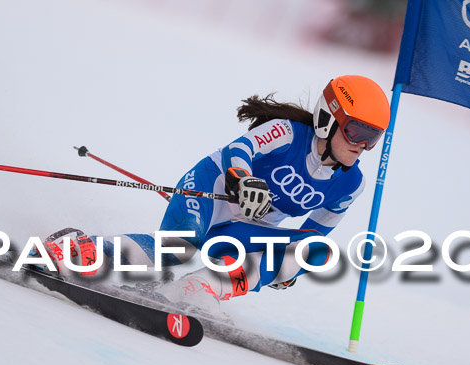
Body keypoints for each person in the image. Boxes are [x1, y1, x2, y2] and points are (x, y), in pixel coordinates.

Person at [37, 75, 390, 311]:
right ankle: (76, 250)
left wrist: (284, 265)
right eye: (356, 130)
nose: (362, 145)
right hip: (211, 189)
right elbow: (240, 150)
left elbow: (315, 232)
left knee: (315, 252)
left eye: (372, 137)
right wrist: (243, 178)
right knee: (180, 248)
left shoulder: (351, 184)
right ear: (329, 118)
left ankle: (196, 290)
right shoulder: (287, 132)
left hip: (247, 226)